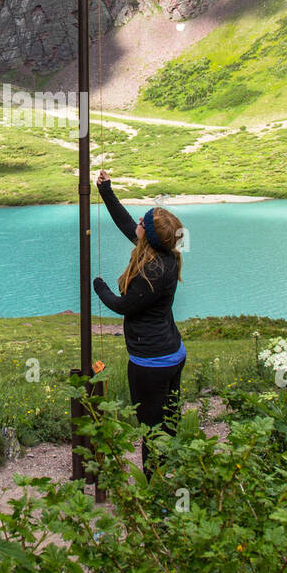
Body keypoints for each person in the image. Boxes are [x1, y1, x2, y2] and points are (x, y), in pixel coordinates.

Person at [92, 171, 187, 480]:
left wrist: (99, 286)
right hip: (171, 353)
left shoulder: (152, 271)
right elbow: (126, 224)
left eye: (143, 224)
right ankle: (173, 477)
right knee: (168, 422)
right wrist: (106, 190)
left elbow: (123, 306)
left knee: (149, 427)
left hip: (151, 361)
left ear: (148, 235)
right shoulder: (164, 254)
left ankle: (154, 488)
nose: (138, 225)